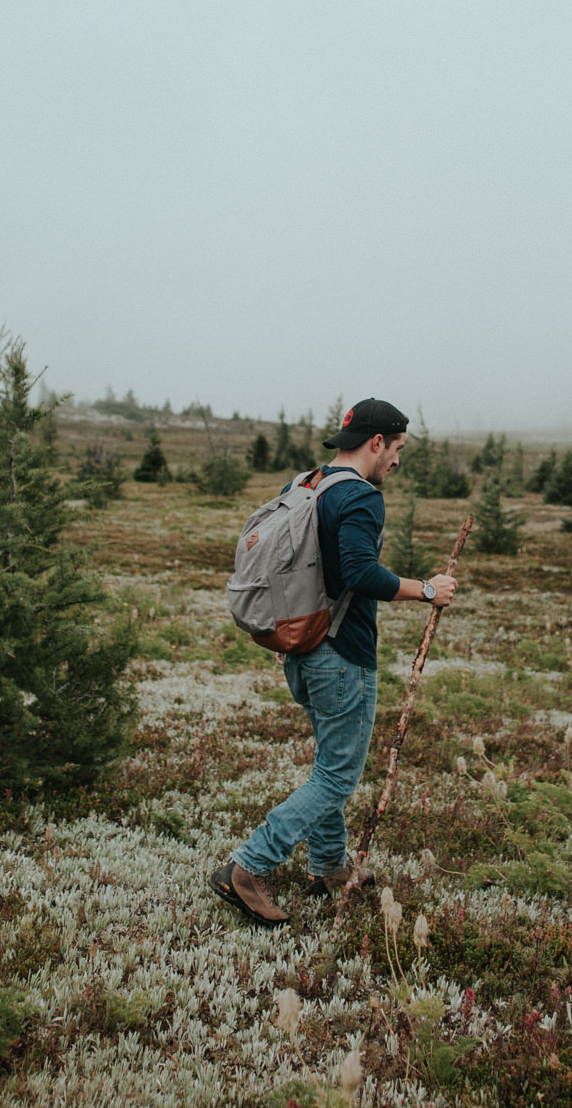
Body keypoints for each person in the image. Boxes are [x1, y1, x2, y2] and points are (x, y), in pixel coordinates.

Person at [209, 397, 457, 926]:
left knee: (329, 763)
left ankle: (327, 865)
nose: (396, 461)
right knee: (339, 777)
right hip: (341, 655)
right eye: (397, 450)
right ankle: (248, 866)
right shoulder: (361, 498)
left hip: (302, 651)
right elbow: (361, 572)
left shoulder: (306, 484)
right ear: (375, 443)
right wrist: (427, 588)